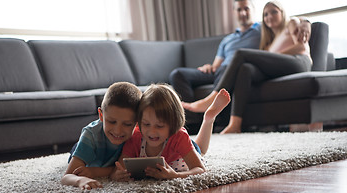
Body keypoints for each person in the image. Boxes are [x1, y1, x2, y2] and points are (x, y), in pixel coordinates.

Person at [183, 1, 312, 134]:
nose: (269, 16)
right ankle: (235, 124)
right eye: (266, 14)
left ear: (282, 13)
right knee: (245, 69)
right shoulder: (269, 43)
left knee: (240, 53)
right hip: (280, 69)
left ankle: (213, 97)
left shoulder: (291, 24)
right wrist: (269, 55)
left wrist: (305, 22)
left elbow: (302, 46)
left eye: (274, 11)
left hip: (299, 62)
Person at [115, 84, 231, 180]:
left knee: (200, 150)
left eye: (159, 126)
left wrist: (175, 176)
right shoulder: (135, 136)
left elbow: (200, 169)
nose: (152, 131)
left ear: (173, 124)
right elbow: (118, 168)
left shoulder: (179, 136)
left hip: (181, 152)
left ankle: (208, 119)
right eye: (146, 124)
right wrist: (117, 175)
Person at [169, 0, 261, 104]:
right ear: (234, 12)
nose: (243, 13)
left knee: (225, 69)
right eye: (239, 10)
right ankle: (193, 118)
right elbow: (216, 66)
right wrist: (209, 67)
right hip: (220, 71)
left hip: (236, 70)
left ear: (253, 10)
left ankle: (214, 109)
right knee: (177, 74)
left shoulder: (261, 30)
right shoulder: (228, 39)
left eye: (246, 9)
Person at [61, 82, 142, 190]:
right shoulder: (90, 135)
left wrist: (97, 172)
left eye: (127, 124)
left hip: (105, 160)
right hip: (90, 146)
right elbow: (66, 177)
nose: (118, 131)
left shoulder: (137, 135)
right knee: (79, 153)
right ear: (101, 115)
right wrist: (80, 180)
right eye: (112, 121)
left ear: (137, 123)